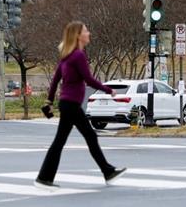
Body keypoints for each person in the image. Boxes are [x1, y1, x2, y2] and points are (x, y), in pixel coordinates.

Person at [36, 21, 126, 189]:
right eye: (86, 30)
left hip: (67, 104)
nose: (89, 33)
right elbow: (89, 79)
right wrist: (108, 90)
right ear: (78, 35)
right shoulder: (77, 56)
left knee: (69, 140)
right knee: (75, 139)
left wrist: (49, 101)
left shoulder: (67, 57)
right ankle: (44, 178)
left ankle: (107, 171)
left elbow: (55, 81)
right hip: (71, 105)